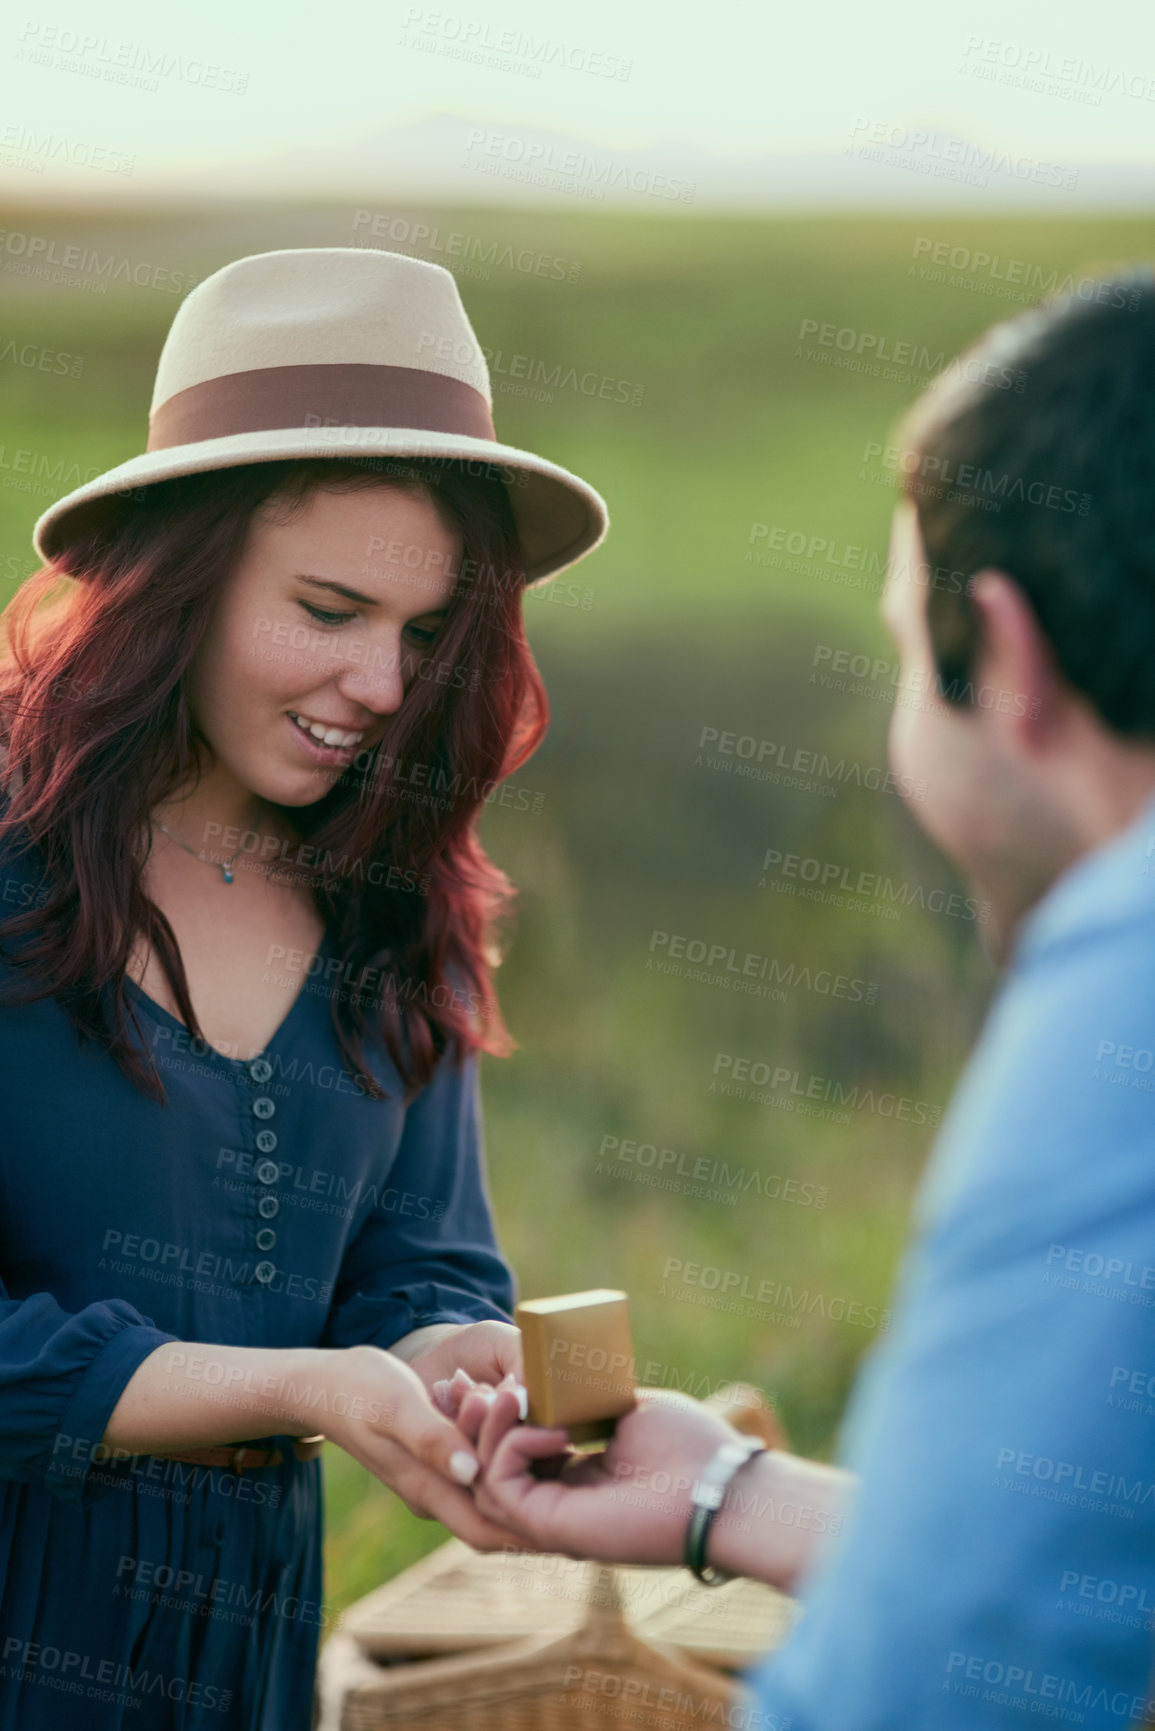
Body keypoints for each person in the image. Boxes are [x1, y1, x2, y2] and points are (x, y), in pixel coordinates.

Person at [454, 265, 1155, 1728]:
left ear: (1010, 662)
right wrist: (733, 1491)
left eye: (909, 654)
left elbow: (929, 1691)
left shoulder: (1120, 993)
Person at [0, 247, 605, 1730]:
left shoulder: (408, 914)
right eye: (329, 610)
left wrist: (453, 1362)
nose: (386, 688)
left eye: (423, 631)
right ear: (178, 583)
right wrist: (301, 1390)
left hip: (244, 1654)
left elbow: (427, 1267)